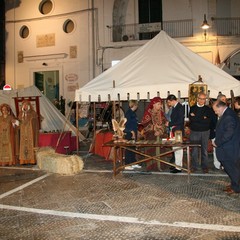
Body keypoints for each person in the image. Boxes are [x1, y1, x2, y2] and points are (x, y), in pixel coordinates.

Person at [212, 100, 240, 194]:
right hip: (229, 147)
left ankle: (236, 187)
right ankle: (234, 184)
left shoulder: (228, 116)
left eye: (216, 110)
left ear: (220, 107)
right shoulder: (229, 112)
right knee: (231, 168)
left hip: (229, 148)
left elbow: (229, 133)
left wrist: (217, 142)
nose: (215, 112)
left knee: (231, 168)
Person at [141, 97, 167, 170]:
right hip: (151, 136)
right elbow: (144, 126)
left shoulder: (161, 113)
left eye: (160, 104)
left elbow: (164, 124)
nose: (160, 106)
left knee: (161, 152)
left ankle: (161, 166)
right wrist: (153, 129)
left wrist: (160, 131)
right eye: (158, 104)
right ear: (154, 104)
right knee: (151, 152)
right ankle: (152, 167)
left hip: (160, 136)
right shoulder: (148, 113)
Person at [189, 92, 212, 173]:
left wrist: (196, 117)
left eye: (204, 99)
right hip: (194, 131)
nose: (202, 100)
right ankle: (194, 166)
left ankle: (205, 166)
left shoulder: (208, 109)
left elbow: (208, 121)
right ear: (197, 99)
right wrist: (202, 118)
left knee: (204, 150)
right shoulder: (192, 108)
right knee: (194, 150)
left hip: (205, 131)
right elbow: (192, 120)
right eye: (201, 98)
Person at [166, 94, 185, 173]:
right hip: (175, 131)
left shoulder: (180, 107)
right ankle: (177, 165)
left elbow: (180, 121)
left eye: (169, 102)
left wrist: (169, 124)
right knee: (175, 149)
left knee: (178, 149)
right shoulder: (175, 107)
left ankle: (179, 167)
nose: (168, 104)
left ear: (172, 100)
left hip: (178, 131)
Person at [18, 100, 39, 165]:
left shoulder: (33, 113)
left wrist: (31, 121)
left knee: (31, 144)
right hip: (23, 133)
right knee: (23, 146)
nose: (25, 106)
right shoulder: (21, 114)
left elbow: (36, 123)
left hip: (31, 133)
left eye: (26, 105)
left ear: (29, 106)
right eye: (24, 105)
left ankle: (32, 160)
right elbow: (19, 123)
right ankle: (24, 160)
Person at [123, 100, 140, 170]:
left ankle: (133, 162)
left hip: (134, 132)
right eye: (136, 105)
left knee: (133, 148)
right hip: (129, 133)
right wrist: (132, 132)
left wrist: (137, 131)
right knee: (129, 148)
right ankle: (127, 164)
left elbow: (135, 123)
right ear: (134, 105)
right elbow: (127, 124)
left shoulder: (133, 113)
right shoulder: (128, 113)